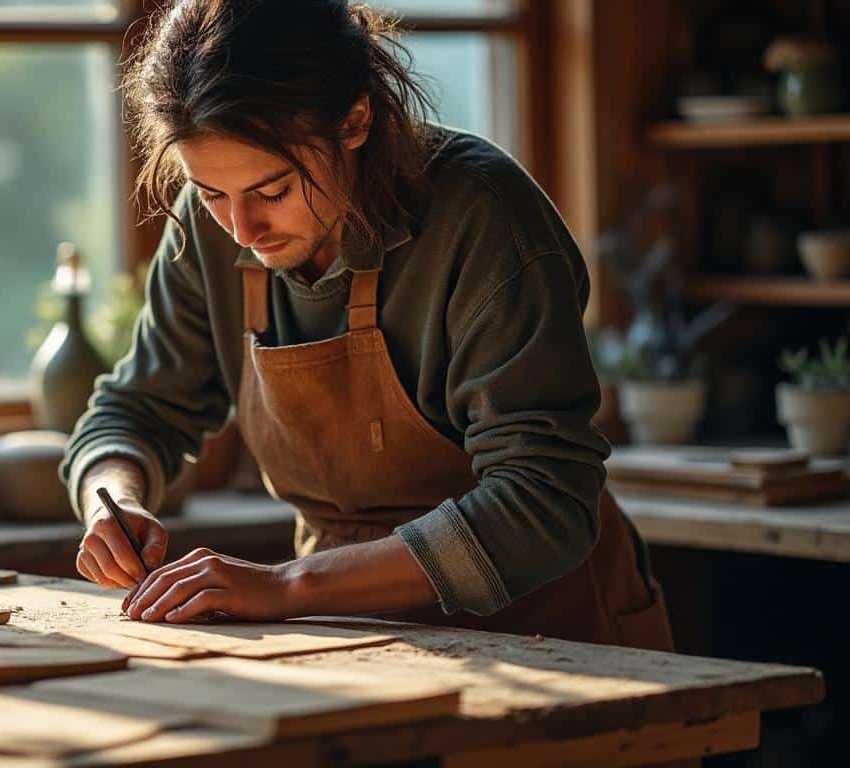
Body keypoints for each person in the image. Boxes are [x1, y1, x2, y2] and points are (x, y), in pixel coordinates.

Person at [60, 0, 673, 651]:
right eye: (211, 194)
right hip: (351, 632)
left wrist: (292, 586)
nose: (242, 229)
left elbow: (544, 505)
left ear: (354, 120)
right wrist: (113, 498)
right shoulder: (209, 230)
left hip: (551, 633)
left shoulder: (484, 215)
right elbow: (135, 411)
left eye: (272, 192)